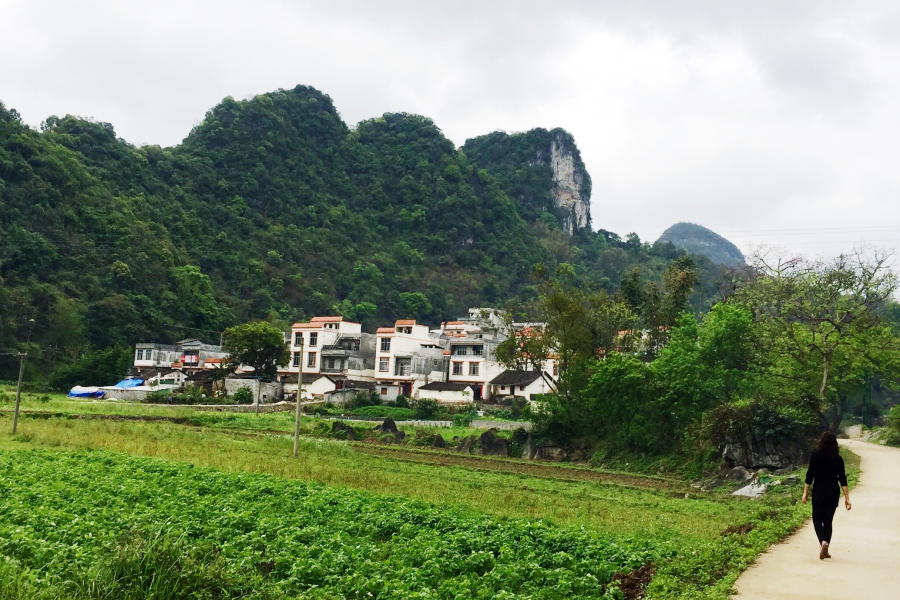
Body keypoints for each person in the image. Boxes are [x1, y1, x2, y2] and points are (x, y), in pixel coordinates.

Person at [802, 430, 851, 560]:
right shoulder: (838, 459)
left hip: (819, 492)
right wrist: (847, 498)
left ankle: (823, 542)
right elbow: (843, 479)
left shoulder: (815, 456)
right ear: (835, 444)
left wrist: (805, 493)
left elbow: (809, 476)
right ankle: (826, 547)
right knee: (828, 520)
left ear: (821, 442)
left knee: (817, 519)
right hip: (833, 493)